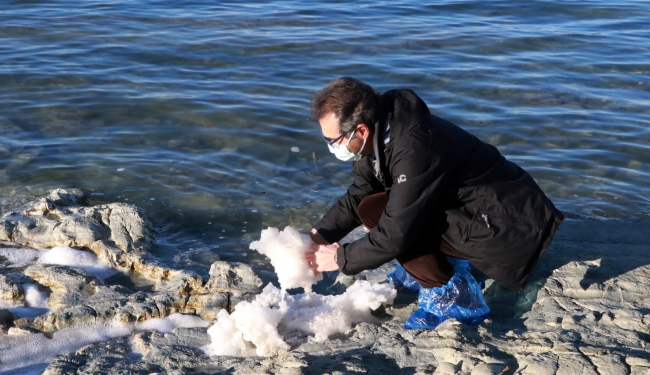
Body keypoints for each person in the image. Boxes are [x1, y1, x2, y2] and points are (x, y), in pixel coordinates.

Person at [305, 77, 564, 305]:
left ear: (361, 129)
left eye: (333, 141)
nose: (330, 147)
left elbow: (395, 234)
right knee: (371, 207)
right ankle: (429, 267)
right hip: (477, 209)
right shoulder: (379, 130)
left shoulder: (414, 148)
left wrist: (340, 258)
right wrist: (318, 236)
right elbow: (358, 195)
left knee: (390, 221)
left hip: (511, 227)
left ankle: (452, 294)